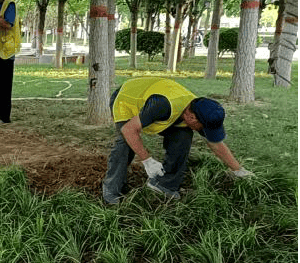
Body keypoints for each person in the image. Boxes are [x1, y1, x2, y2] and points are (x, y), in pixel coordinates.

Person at [102, 77, 253, 204]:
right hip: (127, 99)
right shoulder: (162, 105)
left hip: (157, 108)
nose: (203, 131)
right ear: (192, 117)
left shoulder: (197, 110)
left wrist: (238, 170)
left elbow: (216, 143)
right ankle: (111, 190)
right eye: (203, 127)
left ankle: (164, 185)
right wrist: (147, 160)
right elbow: (129, 130)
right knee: (126, 143)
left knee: (183, 135)